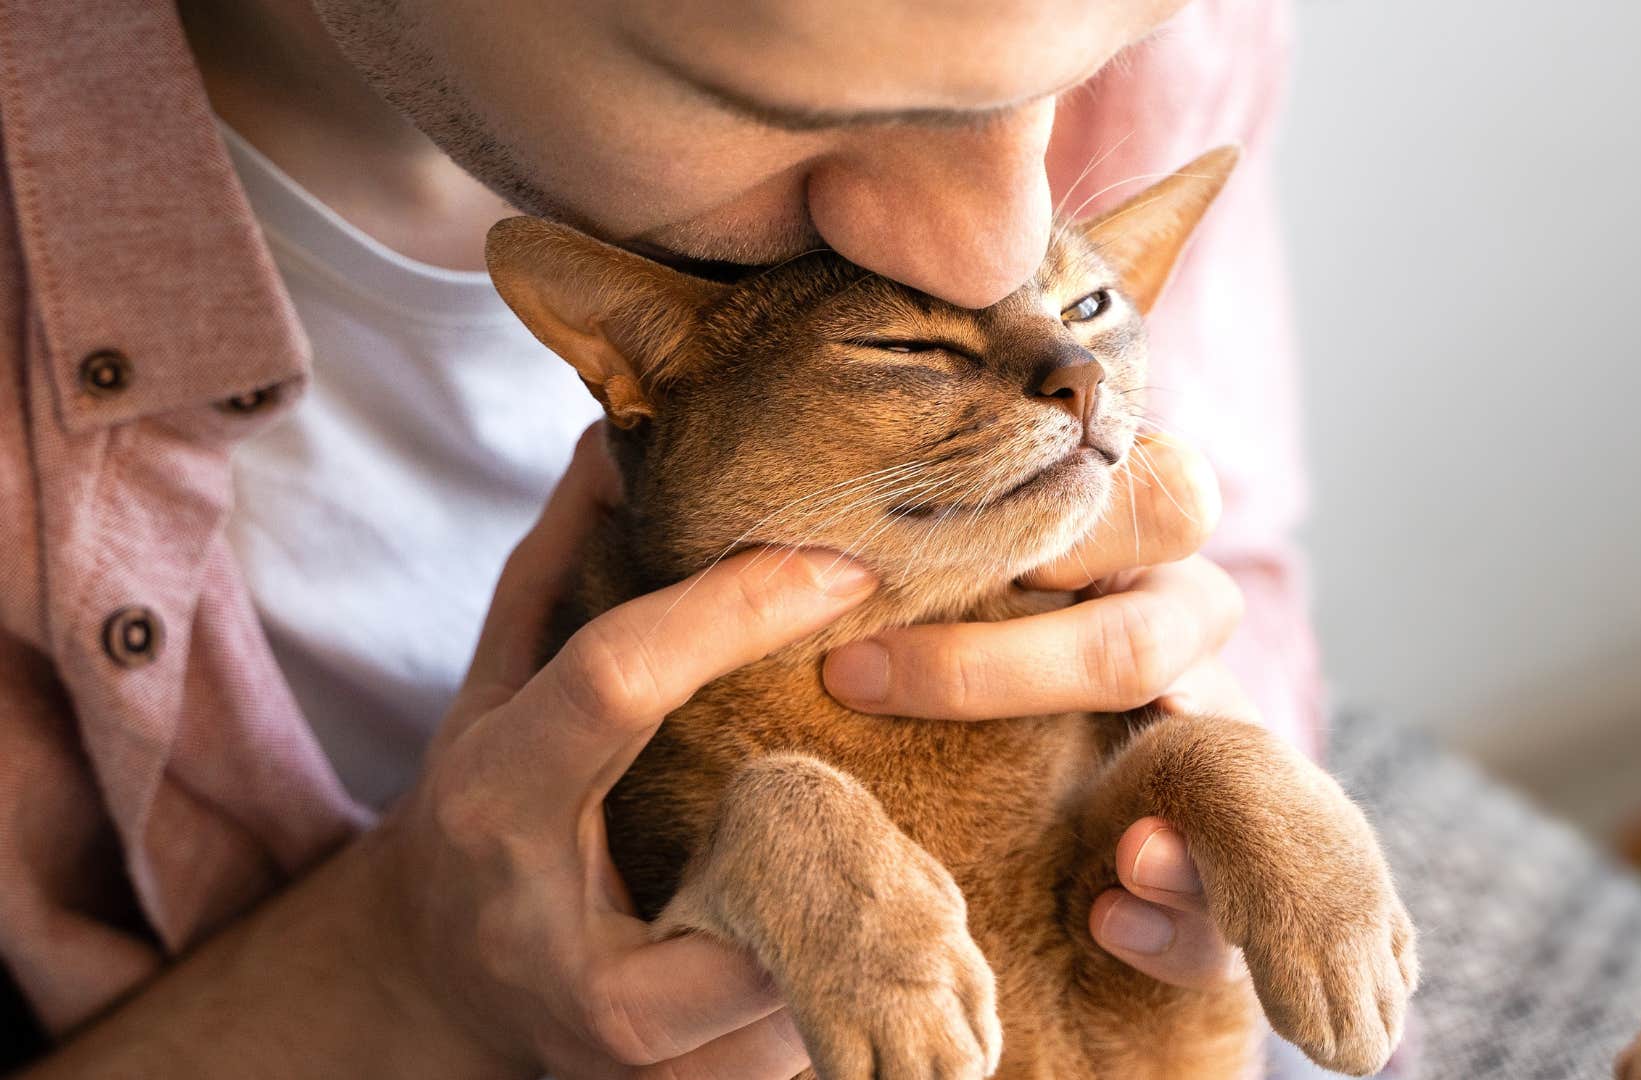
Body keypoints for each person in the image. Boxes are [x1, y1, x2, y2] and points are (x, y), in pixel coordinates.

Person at [0, 0, 1317, 1075]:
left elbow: (1237, 574)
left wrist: (1203, 762)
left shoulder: (1172, 41)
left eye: (1094, 52)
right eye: (784, 99)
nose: (995, 242)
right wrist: (406, 975)